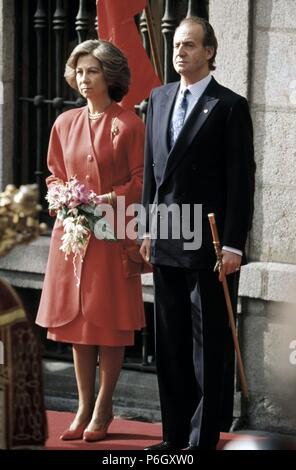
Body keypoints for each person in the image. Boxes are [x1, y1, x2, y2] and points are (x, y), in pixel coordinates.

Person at [140, 17, 255, 450]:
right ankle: (173, 441)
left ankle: (201, 442)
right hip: (167, 238)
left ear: (209, 51)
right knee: (170, 346)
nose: (180, 52)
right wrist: (146, 226)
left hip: (208, 246)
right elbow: (153, 173)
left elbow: (241, 181)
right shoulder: (159, 97)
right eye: (176, 45)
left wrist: (233, 244)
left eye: (190, 45)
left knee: (208, 349)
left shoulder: (229, 105)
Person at [36, 39, 145, 442]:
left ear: (110, 75)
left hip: (112, 230)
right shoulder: (63, 123)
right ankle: (83, 405)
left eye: (92, 71)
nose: (84, 79)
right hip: (74, 233)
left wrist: (106, 199)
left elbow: (140, 181)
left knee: (109, 322)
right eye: (79, 71)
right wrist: (62, 197)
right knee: (79, 324)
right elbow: (53, 174)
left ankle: (104, 407)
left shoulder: (130, 124)